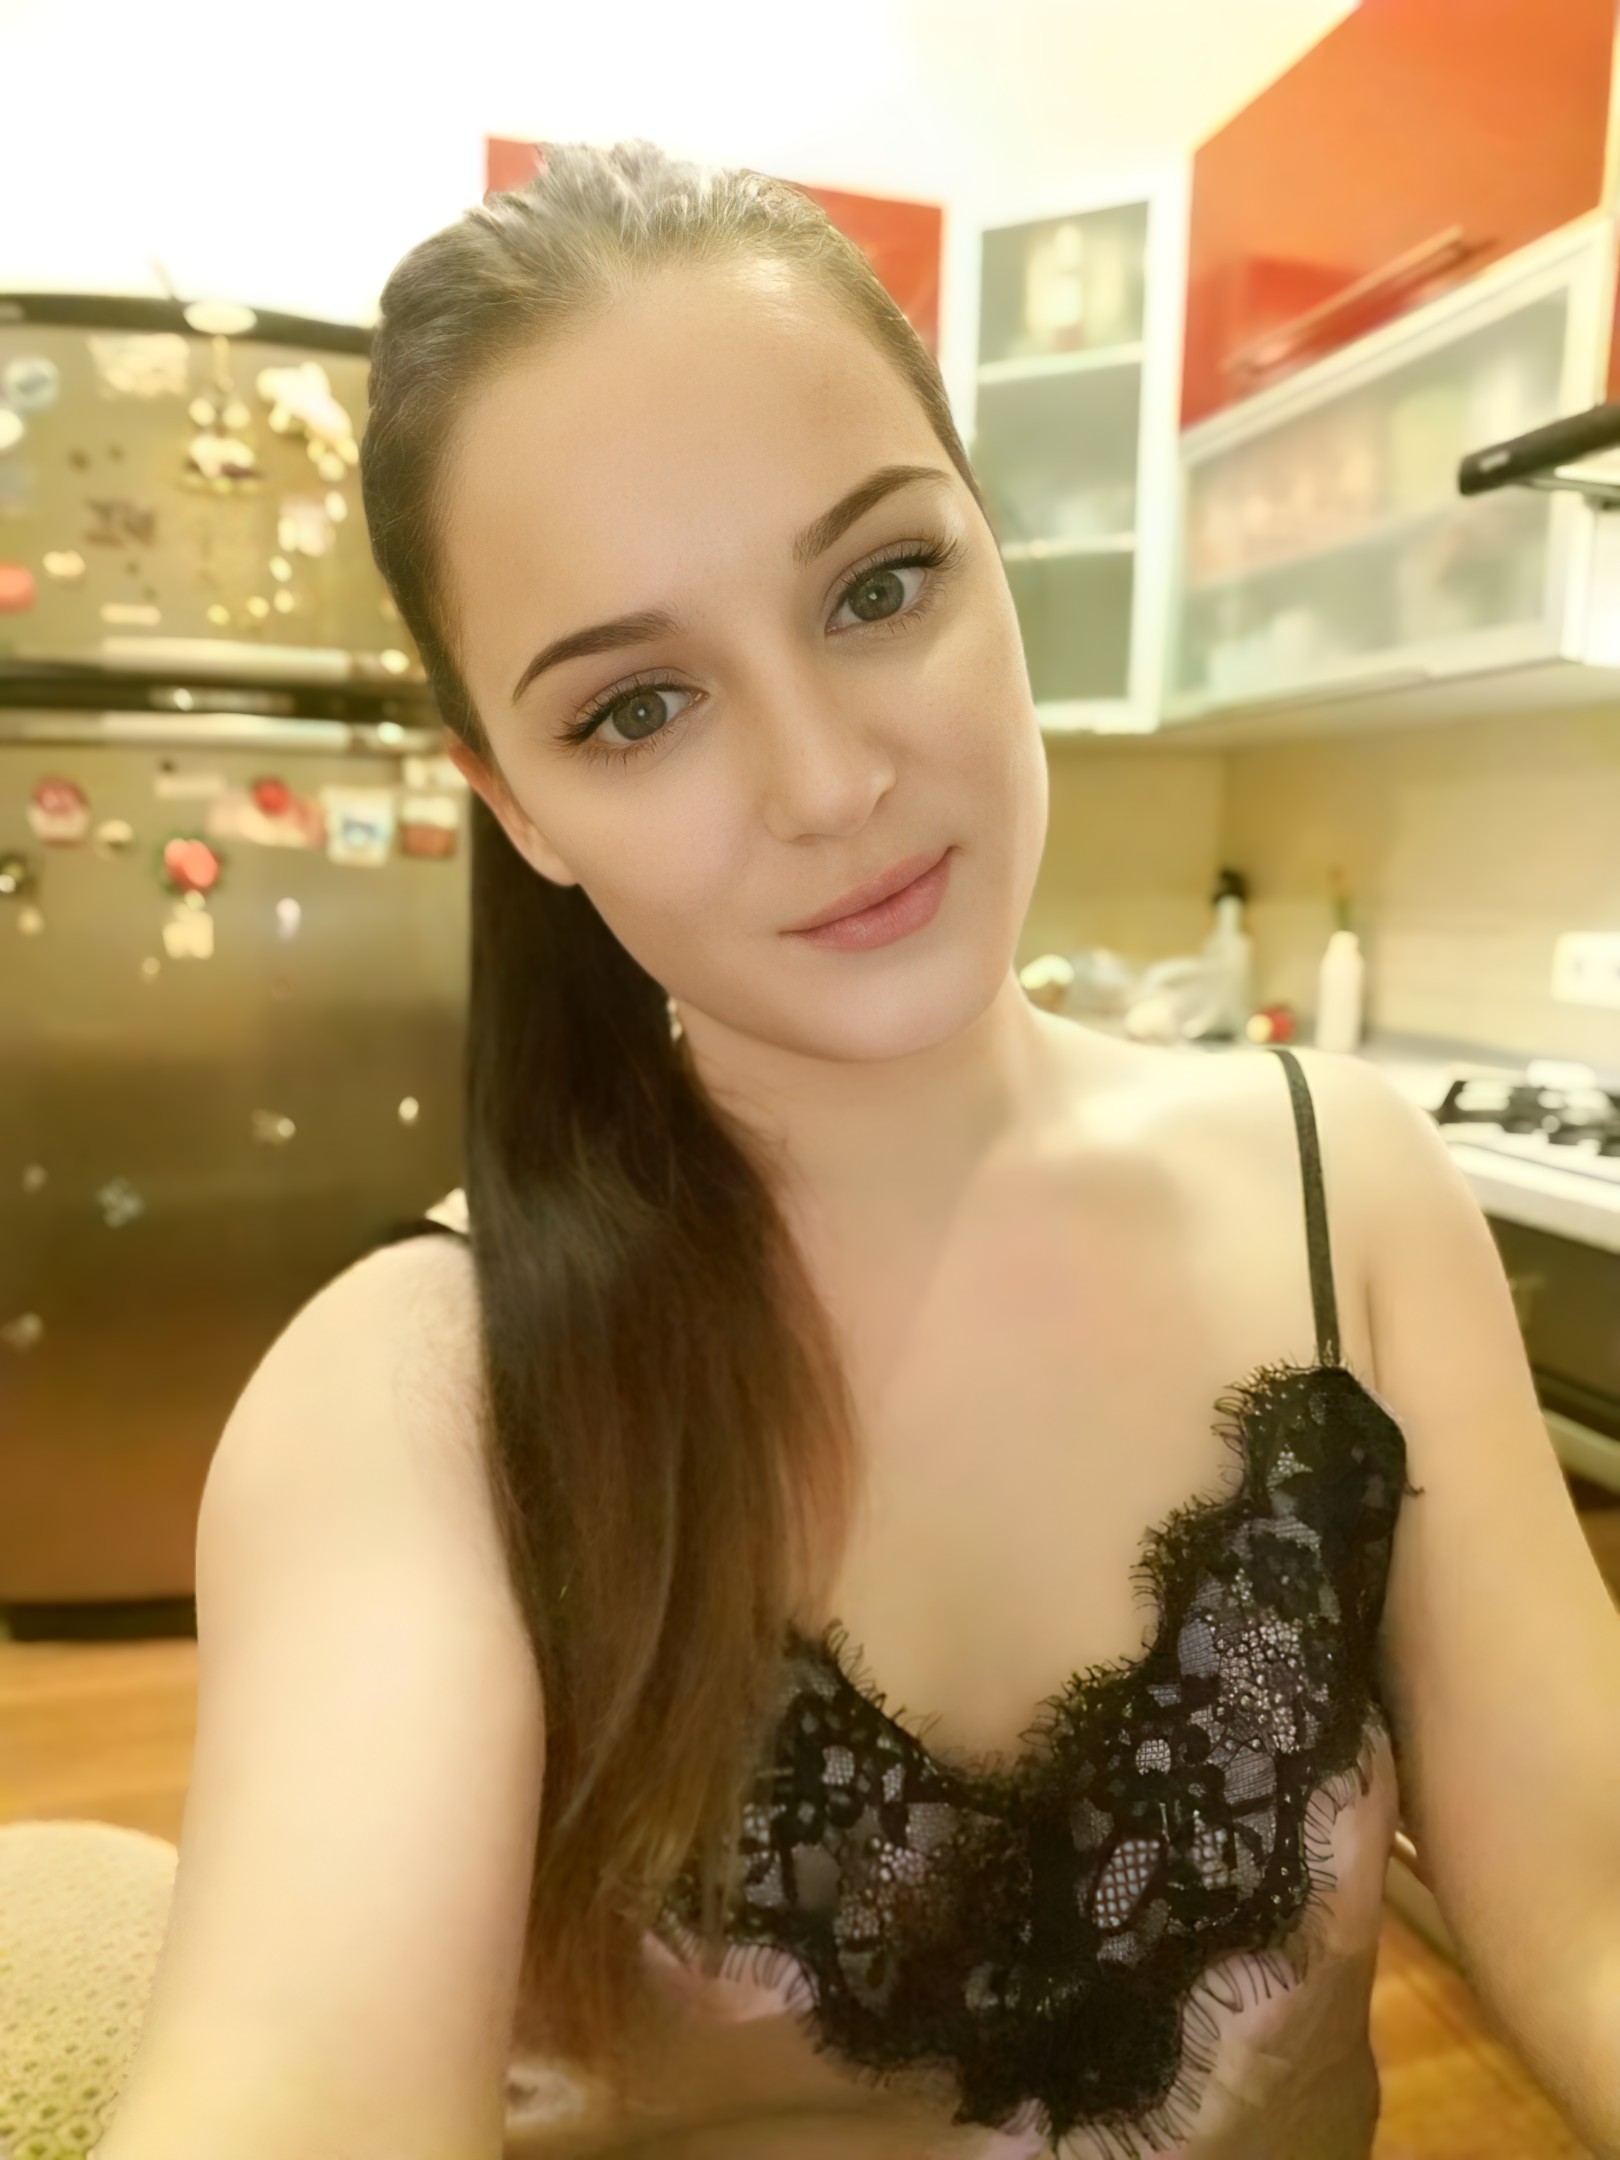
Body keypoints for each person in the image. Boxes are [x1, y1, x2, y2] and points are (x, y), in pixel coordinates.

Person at [94, 141, 1620, 2160]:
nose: (829, 783)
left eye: (882, 587)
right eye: (637, 709)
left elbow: (1591, 1911)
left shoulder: (1354, 1193)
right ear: (519, 805)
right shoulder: (420, 1394)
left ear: (997, 551)